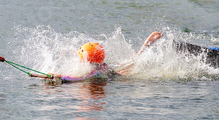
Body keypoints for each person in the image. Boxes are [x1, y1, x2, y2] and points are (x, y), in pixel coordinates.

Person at [30, 31, 163, 82]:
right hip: (111, 72)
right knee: (131, 63)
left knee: (126, 69)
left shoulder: (94, 72)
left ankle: (146, 46)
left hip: (112, 77)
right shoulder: (101, 65)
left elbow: (73, 78)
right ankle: (146, 46)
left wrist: (49, 75)